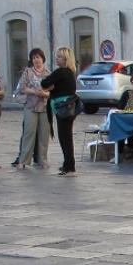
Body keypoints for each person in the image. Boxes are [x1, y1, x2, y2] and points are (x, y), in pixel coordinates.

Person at [40, 47, 79, 176]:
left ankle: (69, 166)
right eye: (56, 56)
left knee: (65, 137)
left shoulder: (61, 72)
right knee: (67, 136)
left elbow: (44, 83)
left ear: (65, 59)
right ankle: (68, 164)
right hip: (69, 107)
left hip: (63, 107)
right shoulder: (71, 72)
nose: (56, 59)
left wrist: (51, 85)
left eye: (59, 57)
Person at [12, 48, 51, 170]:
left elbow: (53, 91)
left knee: (44, 134)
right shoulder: (28, 72)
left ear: (42, 59)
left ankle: (42, 159)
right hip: (31, 105)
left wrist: (45, 94)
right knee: (29, 133)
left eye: (38, 57)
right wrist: (34, 91)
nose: (36, 60)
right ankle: (23, 160)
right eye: (34, 58)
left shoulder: (48, 73)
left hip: (44, 107)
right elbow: (22, 88)